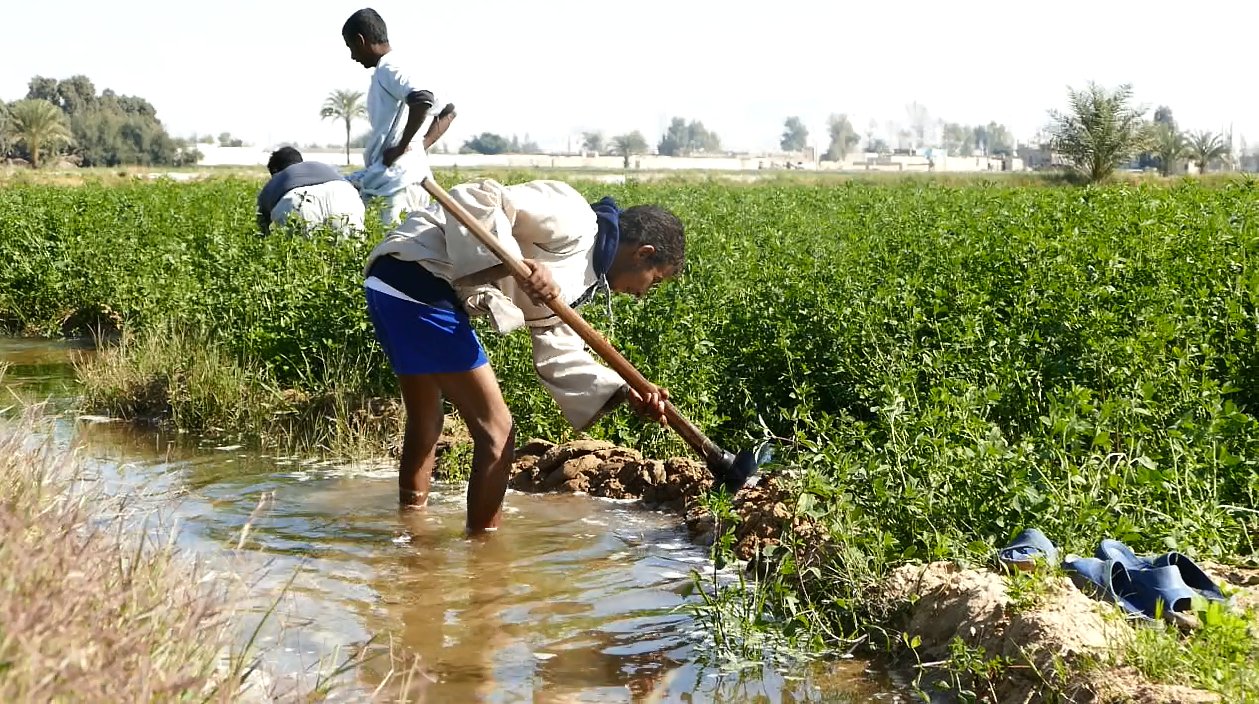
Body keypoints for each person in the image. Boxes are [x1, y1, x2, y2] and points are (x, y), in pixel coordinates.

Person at [362, 178, 684, 535]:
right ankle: (483, 554)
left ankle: (410, 533)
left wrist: (626, 390)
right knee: (498, 434)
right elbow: (477, 196)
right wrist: (516, 262)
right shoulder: (575, 217)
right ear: (644, 253)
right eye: (654, 281)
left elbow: (557, 348)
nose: (642, 294)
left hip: (390, 285)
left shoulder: (585, 279)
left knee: (427, 420)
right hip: (418, 276)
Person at [341, 7, 445, 227]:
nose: (352, 56)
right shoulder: (406, 65)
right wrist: (420, 144)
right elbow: (448, 111)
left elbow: (422, 99)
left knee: (391, 249)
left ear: (361, 41)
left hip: (396, 185)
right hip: (412, 179)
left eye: (351, 48)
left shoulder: (389, 67)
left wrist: (401, 147)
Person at [255, 147, 365, 236]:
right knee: (351, 244)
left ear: (275, 170)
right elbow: (355, 187)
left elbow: (263, 225)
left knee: (299, 253)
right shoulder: (322, 167)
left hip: (297, 200)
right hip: (345, 195)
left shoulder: (276, 180)